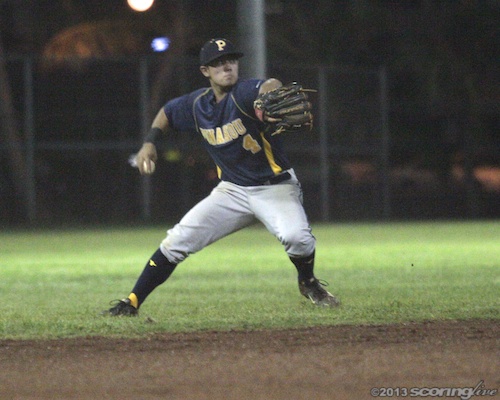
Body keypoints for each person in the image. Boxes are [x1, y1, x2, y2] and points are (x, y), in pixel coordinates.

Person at [104, 38, 340, 316]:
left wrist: (273, 93)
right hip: (232, 191)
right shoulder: (197, 105)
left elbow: (269, 85)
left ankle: (309, 283)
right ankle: (131, 302)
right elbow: (166, 112)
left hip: (274, 188)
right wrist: (150, 142)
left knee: (297, 239)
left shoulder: (244, 92)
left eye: (231, 60)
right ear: (206, 71)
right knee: (176, 241)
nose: (226, 65)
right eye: (218, 62)